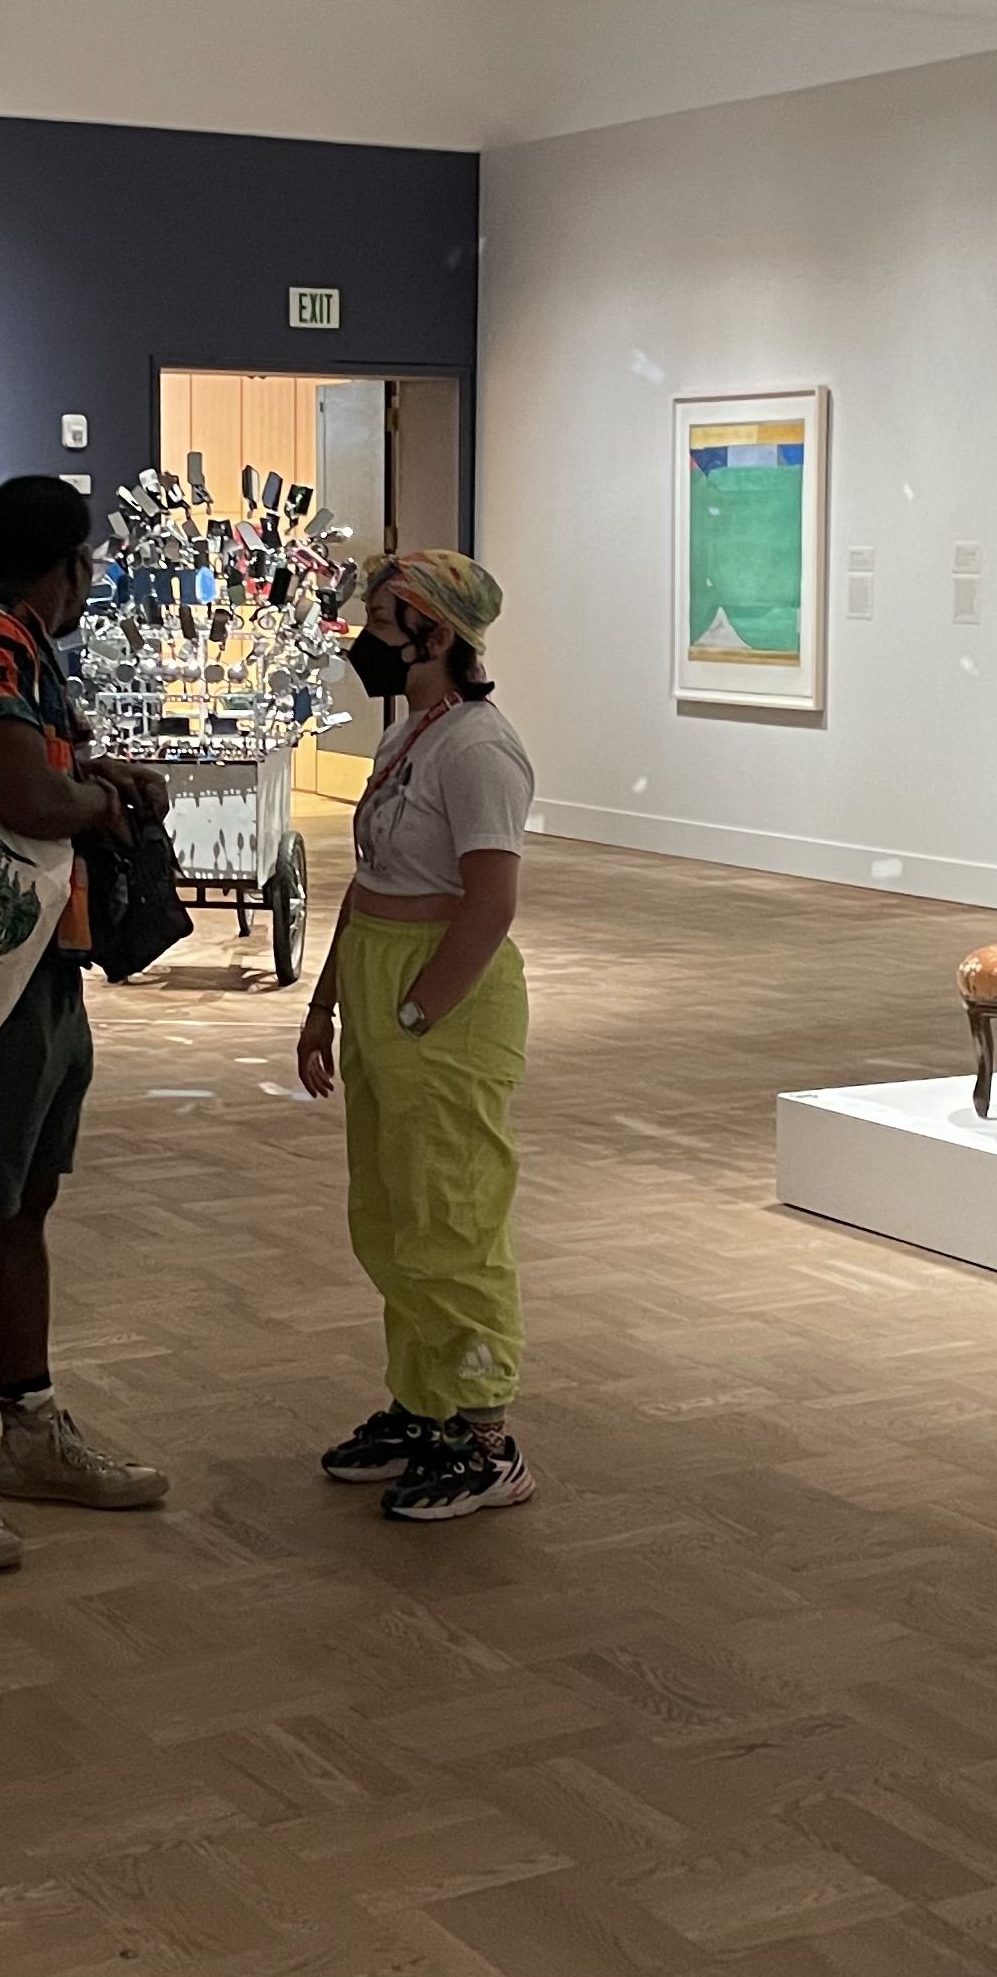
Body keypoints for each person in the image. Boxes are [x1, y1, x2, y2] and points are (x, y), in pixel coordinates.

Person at [0, 475, 176, 1571]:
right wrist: (103, 801)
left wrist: (90, 771)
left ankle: (31, 1430)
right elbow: (19, 798)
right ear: (68, 565)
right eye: (86, 565)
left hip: (33, 967)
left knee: (21, 1205)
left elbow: (29, 772)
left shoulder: (7, 647)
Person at [296, 553, 541, 1523]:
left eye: (382, 619)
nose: (366, 636)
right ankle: (424, 1406)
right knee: (393, 1214)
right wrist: (325, 1003)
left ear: (435, 632)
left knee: (454, 1219)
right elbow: (369, 883)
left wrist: (419, 1010)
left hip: (444, 999)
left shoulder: (481, 749)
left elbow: (491, 903)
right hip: (384, 982)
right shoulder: (410, 735)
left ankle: (487, 1442)